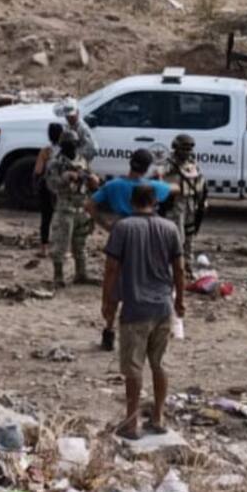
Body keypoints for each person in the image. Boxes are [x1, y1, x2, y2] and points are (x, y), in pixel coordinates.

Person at [101, 184, 186, 439]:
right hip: (162, 307)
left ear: (132, 202)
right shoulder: (170, 229)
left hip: (135, 308)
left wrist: (108, 302)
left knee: (133, 367)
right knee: (158, 364)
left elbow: (111, 269)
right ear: (156, 201)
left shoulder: (123, 228)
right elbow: (180, 269)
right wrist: (180, 300)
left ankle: (131, 422)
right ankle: (158, 418)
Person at [46, 129, 96, 287]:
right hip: (65, 206)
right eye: (67, 145)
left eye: (73, 144)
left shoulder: (82, 160)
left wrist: (93, 181)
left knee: (80, 243)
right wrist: (66, 178)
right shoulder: (56, 163)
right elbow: (51, 185)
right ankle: (58, 276)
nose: (71, 147)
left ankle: (81, 274)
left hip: (82, 206)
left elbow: (91, 181)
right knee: (60, 243)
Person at [88, 149, 172, 230]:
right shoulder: (153, 186)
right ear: (147, 168)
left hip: (120, 227)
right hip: (144, 229)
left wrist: (105, 225)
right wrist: (160, 177)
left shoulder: (112, 185)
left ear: (130, 163)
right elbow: (177, 188)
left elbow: (89, 205)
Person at [159, 134, 207, 273]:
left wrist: (202, 201)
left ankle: (187, 264)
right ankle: (172, 267)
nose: (187, 152)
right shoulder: (168, 164)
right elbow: (158, 178)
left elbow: (201, 183)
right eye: (184, 148)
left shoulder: (193, 163)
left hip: (191, 202)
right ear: (176, 148)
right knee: (176, 237)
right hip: (176, 203)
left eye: (189, 148)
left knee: (190, 234)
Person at [32, 122, 65, 258]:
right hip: (63, 188)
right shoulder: (67, 151)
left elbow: (38, 170)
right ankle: (62, 249)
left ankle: (44, 248)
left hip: (47, 188)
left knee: (46, 218)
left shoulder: (45, 151)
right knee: (63, 219)